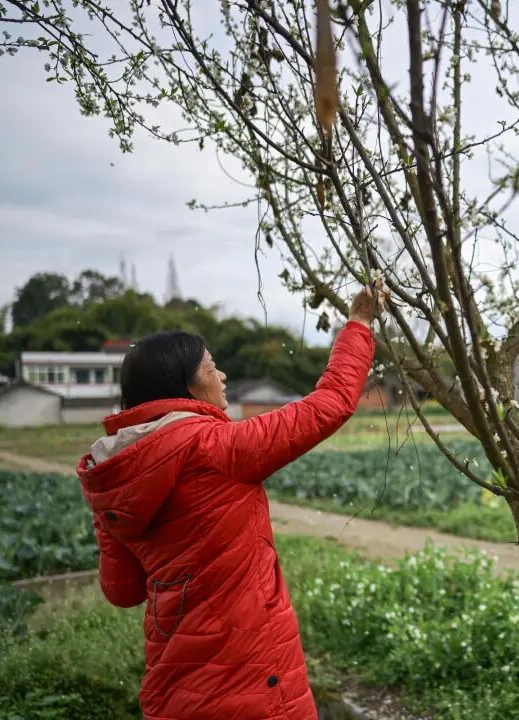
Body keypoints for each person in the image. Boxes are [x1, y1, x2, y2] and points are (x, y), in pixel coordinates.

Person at [77, 285, 382, 720]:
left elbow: (122, 590)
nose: (221, 378)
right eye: (212, 367)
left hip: (174, 688)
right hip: (253, 683)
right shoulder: (215, 447)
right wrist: (359, 324)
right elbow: (328, 405)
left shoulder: (111, 470)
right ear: (183, 385)